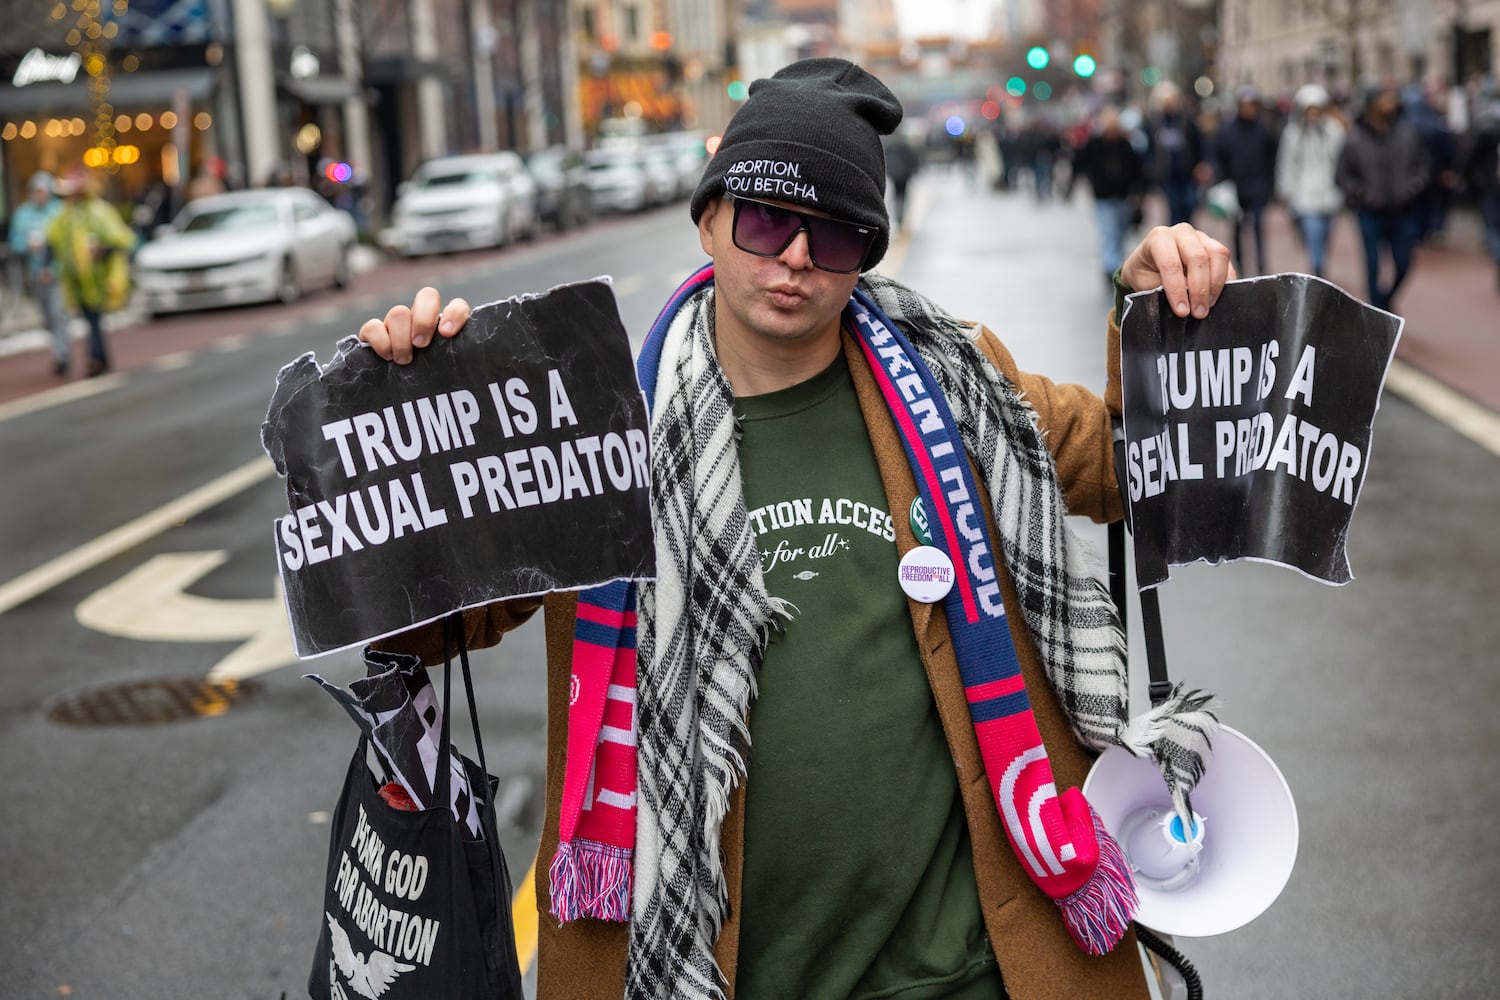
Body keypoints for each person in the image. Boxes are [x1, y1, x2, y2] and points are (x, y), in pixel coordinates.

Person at [358, 58, 1231, 1000]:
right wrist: (415, 421)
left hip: (973, 971)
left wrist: (1157, 314)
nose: (796, 259)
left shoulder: (963, 382)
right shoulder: (593, 433)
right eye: (768, 220)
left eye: (837, 234)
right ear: (709, 220)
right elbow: (433, 625)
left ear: (869, 252)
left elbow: (1139, 469)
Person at [1335, 81, 1432, 312]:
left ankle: (1385, 300)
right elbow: (1342, 174)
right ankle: (1377, 311)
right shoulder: (1355, 138)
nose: (1391, 102)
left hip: (1403, 211)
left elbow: (1424, 165)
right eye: (1384, 98)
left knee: (1404, 262)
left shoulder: (1407, 132)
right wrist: (1361, 194)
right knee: (1373, 264)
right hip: (1370, 213)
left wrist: (1413, 188)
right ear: (1371, 104)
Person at [46, 167, 136, 376]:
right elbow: (52, 239)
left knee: (94, 320)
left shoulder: (99, 211)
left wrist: (101, 250)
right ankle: (100, 358)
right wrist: (46, 265)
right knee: (91, 321)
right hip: (77, 282)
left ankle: (96, 358)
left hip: (99, 279)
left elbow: (122, 240)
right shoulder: (66, 215)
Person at [1276, 84, 1347, 278]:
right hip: (1305, 197)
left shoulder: (1334, 131)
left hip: (1331, 195)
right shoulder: (1293, 134)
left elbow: (1342, 160)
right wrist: (1286, 192)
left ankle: (1320, 265)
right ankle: (1317, 271)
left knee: (1325, 239)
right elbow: (1286, 164)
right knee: (1313, 237)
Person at [1072, 106, 1148, 288]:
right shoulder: (1095, 143)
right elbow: (1079, 161)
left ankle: (1116, 262)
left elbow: (1137, 169)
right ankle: (1111, 267)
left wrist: (1139, 191)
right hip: (1103, 196)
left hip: (1123, 196)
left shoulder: (1126, 144)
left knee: (1121, 231)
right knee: (1108, 230)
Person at [7, 172, 71, 375]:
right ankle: (59, 343)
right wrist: (27, 245)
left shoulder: (59, 212)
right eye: (37, 192)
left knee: (57, 312)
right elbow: (14, 241)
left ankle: (62, 355)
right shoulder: (23, 214)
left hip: (57, 273)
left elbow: (67, 241)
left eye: (44, 191)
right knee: (46, 315)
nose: (40, 195)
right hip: (35, 273)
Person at [1212, 85, 1279, 276]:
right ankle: (1239, 267)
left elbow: (1271, 158)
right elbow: (1218, 157)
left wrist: (1269, 186)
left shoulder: (1263, 130)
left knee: (1258, 228)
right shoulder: (1227, 131)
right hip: (1235, 190)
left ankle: (1261, 267)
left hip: (1258, 188)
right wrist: (1222, 182)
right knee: (1237, 231)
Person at [1146, 81, 1211, 226]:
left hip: (1187, 173)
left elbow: (1199, 143)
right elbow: (1149, 148)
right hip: (1168, 174)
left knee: (1190, 205)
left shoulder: (1187, 120)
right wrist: (1152, 167)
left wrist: (1201, 164)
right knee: (1174, 209)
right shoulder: (1155, 123)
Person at [1459, 95, 1500, 292]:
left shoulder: (1485, 120)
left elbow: (1470, 153)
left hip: (1490, 184)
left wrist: (1467, 176)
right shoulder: (1487, 121)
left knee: (1492, 227)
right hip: (1490, 181)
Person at [883, 131, 920, 228]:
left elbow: (886, 160)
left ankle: (897, 214)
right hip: (904, 175)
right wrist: (913, 170)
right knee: (903, 195)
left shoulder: (889, 147)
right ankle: (901, 213)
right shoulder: (905, 147)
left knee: (896, 195)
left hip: (895, 175)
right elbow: (912, 159)